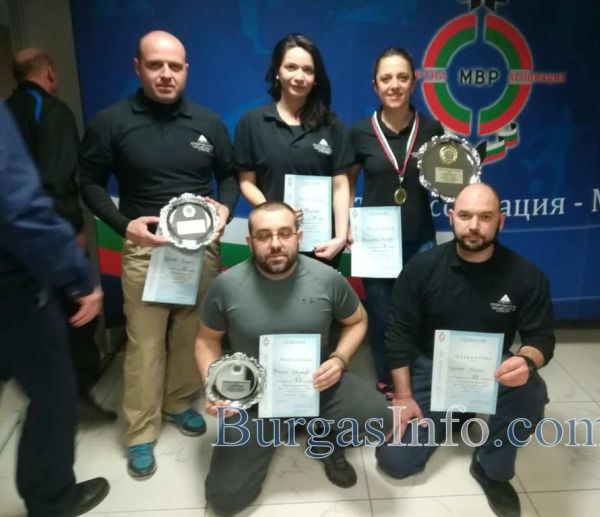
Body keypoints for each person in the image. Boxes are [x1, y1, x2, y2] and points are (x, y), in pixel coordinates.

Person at [79, 30, 239, 479]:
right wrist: (123, 225)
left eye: (174, 66)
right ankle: (141, 432)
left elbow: (228, 175)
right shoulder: (112, 121)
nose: (166, 74)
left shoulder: (208, 122)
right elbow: (88, 181)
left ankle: (176, 402)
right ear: (139, 68)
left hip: (199, 250)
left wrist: (226, 207)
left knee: (192, 333)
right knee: (145, 343)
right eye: (155, 65)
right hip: (145, 251)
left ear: (186, 70)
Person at [195, 201, 393, 515]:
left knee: (380, 418)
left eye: (284, 233)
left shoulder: (327, 278)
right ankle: (276, 431)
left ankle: (324, 434)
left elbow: (358, 321)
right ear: (250, 242)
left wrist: (340, 359)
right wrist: (215, 386)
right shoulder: (226, 285)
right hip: (254, 396)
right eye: (264, 235)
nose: (275, 243)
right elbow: (206, 341)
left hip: (316, 385)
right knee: (225, 499)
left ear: (298, 237)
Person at [376, 183, 553, 517]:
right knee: (395, 461)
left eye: (485, 217)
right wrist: (403, 396)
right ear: (451, 216)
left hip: (493, 370)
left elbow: (541, 337)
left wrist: (527, 361)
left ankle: (491, 467)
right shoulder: (422, 268)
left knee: (530, 391)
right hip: (432, 368)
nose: (474, 226)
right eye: (465, 215)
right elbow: (397, 333)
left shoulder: (527, 276)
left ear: (501, 221)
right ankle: (454, 412)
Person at [0, 103, 110, 516]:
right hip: (13, 289)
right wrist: (78, 278)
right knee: (54, 392)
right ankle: (51, 500)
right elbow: (20, 208)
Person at [5, 47, 116, 421]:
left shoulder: (8, 110)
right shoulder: (52, 111)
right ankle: (77, 397)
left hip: (13, 245)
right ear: (50, 72)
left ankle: (45, 393)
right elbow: (57, 178)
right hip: (51, 236)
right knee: (77, 314)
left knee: (37, 319)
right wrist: (72, 230)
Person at [348, 47, 444, 397]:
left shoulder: (432, 128)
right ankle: (388, 376)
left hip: (420, 237)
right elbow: (345, 182)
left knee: (420, 312)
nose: (394, 85)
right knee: (382, 313)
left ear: (413, 82)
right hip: (375, 240)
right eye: (386, 78)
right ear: (375, 85)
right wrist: (346, 223)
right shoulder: (360, 132)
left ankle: (418, 374)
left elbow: (444, 178)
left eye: (402, 77)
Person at [234, 33, 353, 265]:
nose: (299, 77)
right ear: (277, 72)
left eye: (308, 70)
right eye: (291, 67)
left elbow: (341, 186)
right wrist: (274, 213)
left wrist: (340, 237)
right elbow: (246, 182)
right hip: (273, 242)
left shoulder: (332, 126)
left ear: (316, 78)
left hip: (322, 246)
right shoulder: (252, 122)